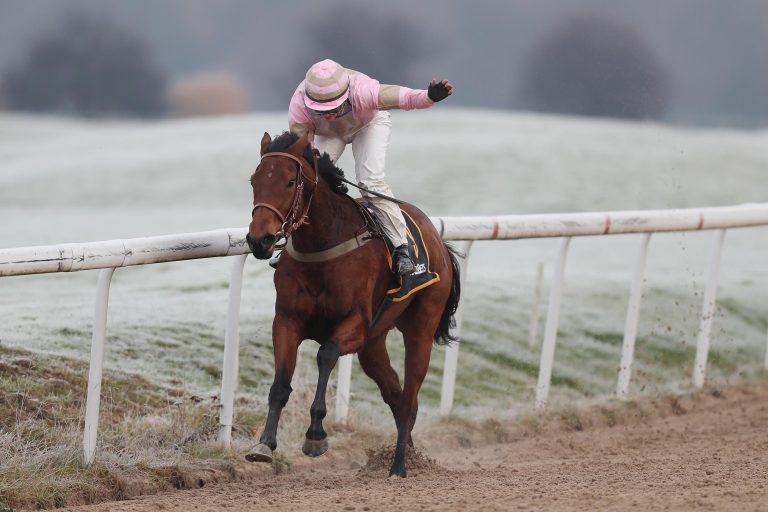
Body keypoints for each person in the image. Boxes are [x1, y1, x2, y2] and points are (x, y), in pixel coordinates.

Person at [284, 58, 453, 276]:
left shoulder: (364, 91)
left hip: (369, 124)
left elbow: (406, 98)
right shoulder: (298, 107)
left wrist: (429, 97)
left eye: (334, 108)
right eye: (321, 111)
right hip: (330, 134)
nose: (329, 115)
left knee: (369, 181)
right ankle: (292, 242)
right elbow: (303, 152)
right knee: (309, 179)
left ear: (347, 95)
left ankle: (402, 248)